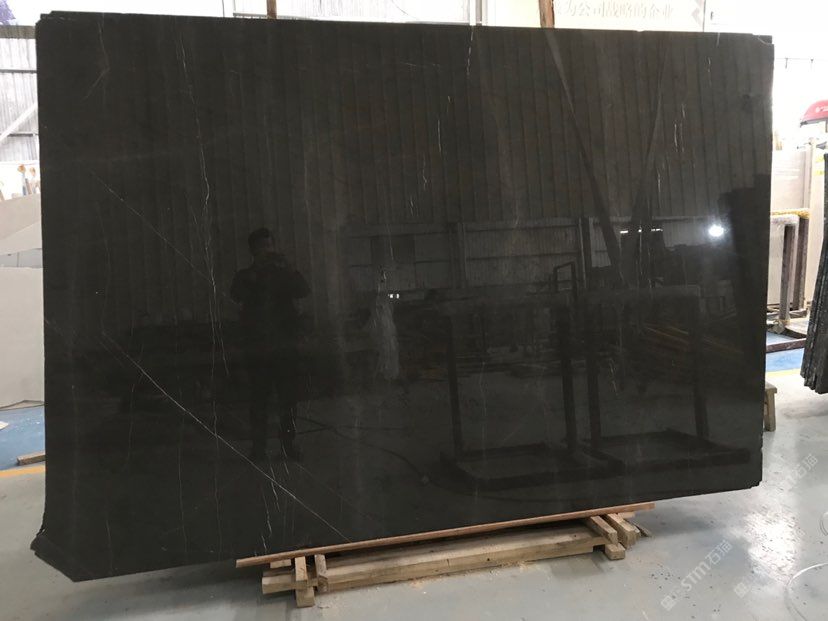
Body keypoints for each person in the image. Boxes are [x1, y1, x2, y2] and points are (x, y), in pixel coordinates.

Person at [231, 228, 310, 461]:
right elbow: (236, 294)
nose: (266, 251)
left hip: (284, 348)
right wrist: (256, 274)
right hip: (258, 349)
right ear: (253, 251)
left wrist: (288, 267)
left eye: (269, 245)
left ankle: (288, 447)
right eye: (261, 247)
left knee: (288, 399)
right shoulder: (245, 276)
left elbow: (303, 290)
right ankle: (258, 449)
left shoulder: (283, 274)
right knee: (259, 400)